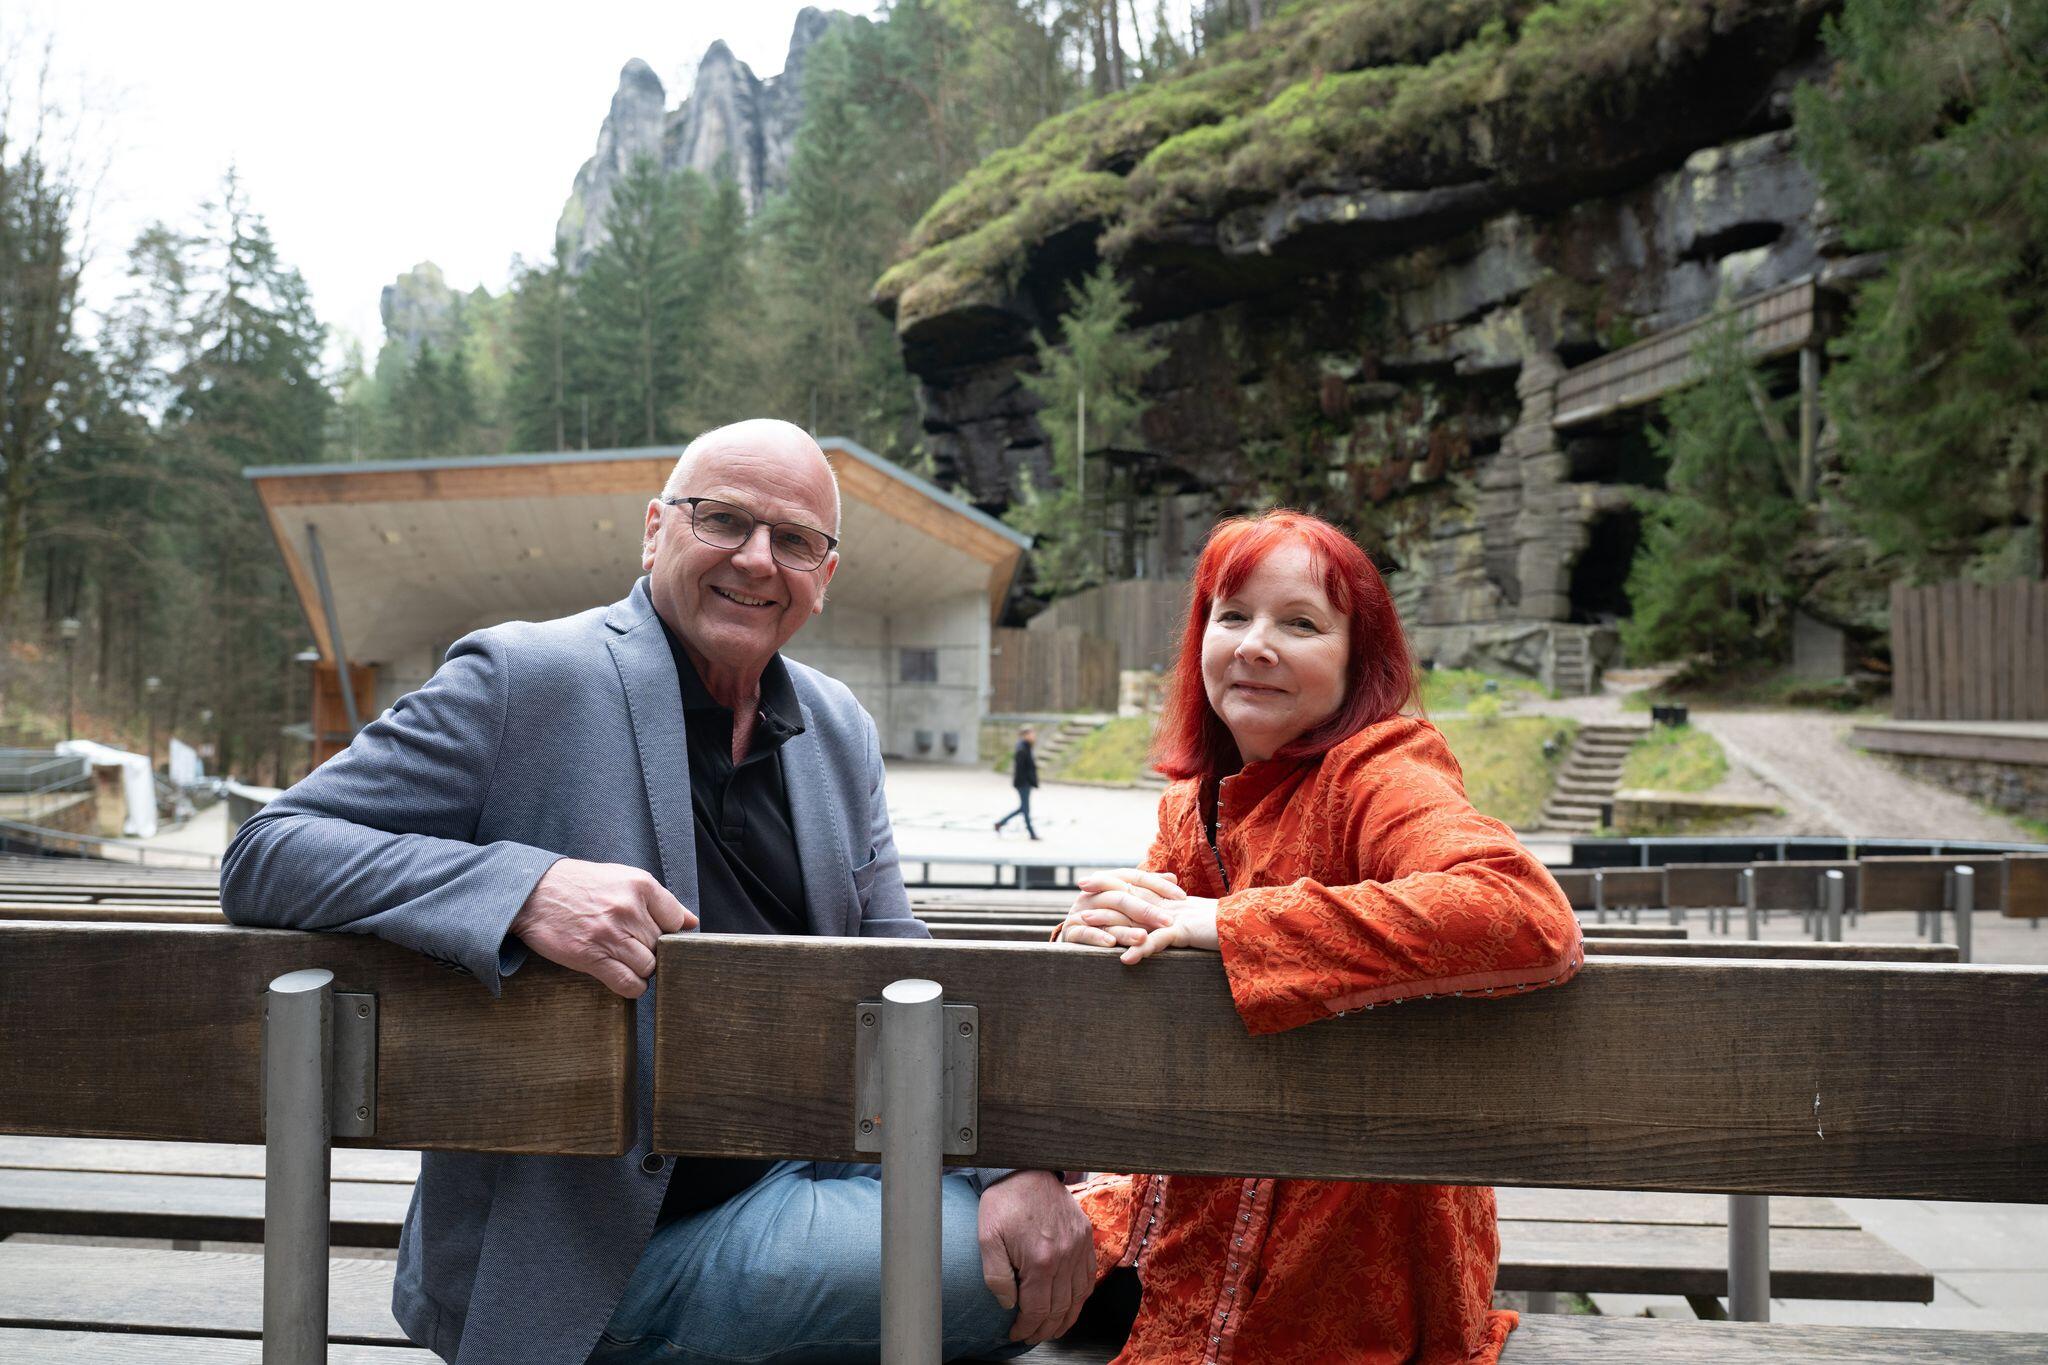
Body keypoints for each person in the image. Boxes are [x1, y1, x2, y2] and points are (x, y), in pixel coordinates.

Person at [221, 420, 1092, 1365]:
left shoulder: (838, 726)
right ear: (653, 530)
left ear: (825, 575)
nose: (757, 560)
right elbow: (268, 851)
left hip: (808, 1176)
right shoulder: (523, 677)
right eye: (723, 519)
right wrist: (525, 888)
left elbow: (898, 956)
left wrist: (1012, 1164)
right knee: (1000, 1274)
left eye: (795, 539)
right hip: (595, 1258)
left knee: (1062, 1235)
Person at [1054, 509, 1582, 1365]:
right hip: (1189, 1213)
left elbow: (1520, 909)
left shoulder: (1381, 768)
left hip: (1352, 1243)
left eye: (1300, 623)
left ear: (1356, 661)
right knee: (964, 1264)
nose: (1255, 645)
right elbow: (1151, 963)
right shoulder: (1192, 805)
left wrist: (1226, 922)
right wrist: (1098, 933)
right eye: (1233, 615)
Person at [994, 725, 1040, 839]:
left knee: (1023, 808)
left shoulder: (1026, 747)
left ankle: (1000, 823)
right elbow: (1021, 769)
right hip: (1023, 783)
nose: (1034, 736)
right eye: (1031, 734)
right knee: (1025, 809)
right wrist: (1028, 781)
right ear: (1025, 735)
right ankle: (1031, 833)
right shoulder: (1022, 749)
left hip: (1025, 783)